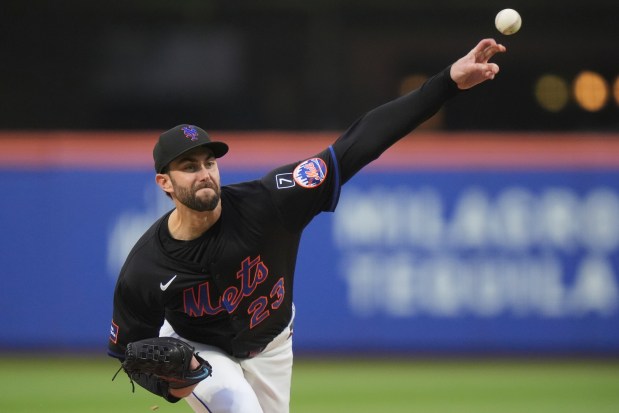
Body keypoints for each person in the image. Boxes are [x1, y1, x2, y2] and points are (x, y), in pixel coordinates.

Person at [108, 38, 507, 412]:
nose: (204, 174)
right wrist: (174, 385)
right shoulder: (146, 266)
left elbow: (359, 142)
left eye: (209, 162)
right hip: (199, 349)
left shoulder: (270, 202)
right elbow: (131, 352)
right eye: (189, 167)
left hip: (273, 344)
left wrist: (447, 83)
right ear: (165, 182)